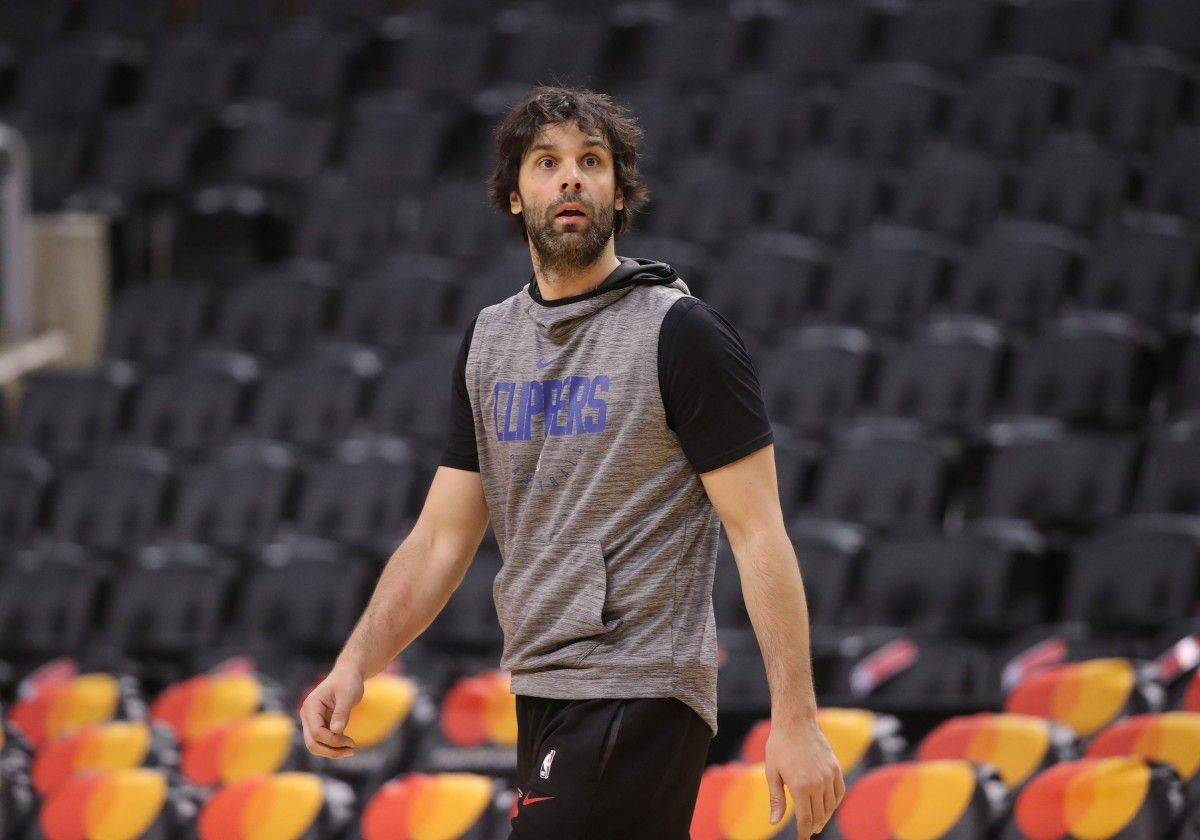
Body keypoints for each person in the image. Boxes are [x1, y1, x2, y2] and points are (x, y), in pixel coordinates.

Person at [300, 85, 844, 839]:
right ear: (514, 196)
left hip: (642, 686)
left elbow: (760, 536)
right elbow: (439, 540)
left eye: (591, 162)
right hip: (542, 686)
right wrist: (355, 662)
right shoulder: (490, 342)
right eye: (546, 162)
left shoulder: (682, 333)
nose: (570, 178)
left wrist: (796, 719)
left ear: (619, 195)